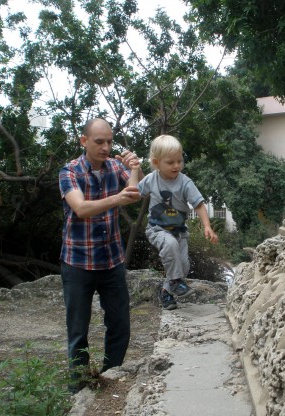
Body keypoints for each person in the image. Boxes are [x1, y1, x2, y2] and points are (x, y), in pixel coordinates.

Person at [58, 118, 143, 393]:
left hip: (111, 260)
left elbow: (135, 193)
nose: (106, 147)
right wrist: (117, 199)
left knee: (120, 324)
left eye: (109, 141)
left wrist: (134, 168)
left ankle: (108, 377)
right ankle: (79, 388)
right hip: (78, 262)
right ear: (84, 141)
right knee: (78, 332)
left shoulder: (115, 167)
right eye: (99, 142)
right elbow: (81, 209)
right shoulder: (69, 172)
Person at [132, 134, 218, 310]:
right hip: (157, 229)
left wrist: (207, 226)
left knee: (183, 266)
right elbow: (133, 193)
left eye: (179, 161)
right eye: (170, 162)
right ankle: (176, 283)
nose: (176, 165)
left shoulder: (185, 182)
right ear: (156, 162)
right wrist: (134, 170)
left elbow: (199, 204)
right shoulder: (151, 179)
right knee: (170, 245)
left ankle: (166, 293)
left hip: (179, 231)